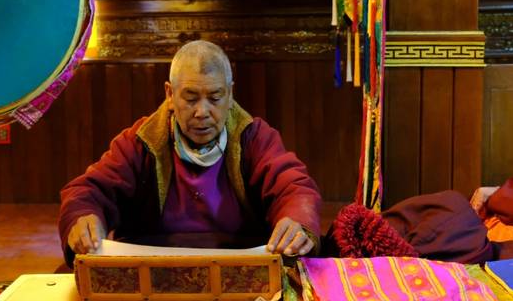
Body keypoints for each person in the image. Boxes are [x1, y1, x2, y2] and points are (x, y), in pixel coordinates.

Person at [59, 40, 322, 266]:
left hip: (239, 266)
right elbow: (88, 191)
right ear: (170, 95)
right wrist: (83, 220)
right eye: (191, 98)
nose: (202, 112)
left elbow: (294, 186)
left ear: (230, 94)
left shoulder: (253, 137)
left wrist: (296, 220)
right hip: (152, 268)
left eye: (215, 97)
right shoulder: (141, 142)